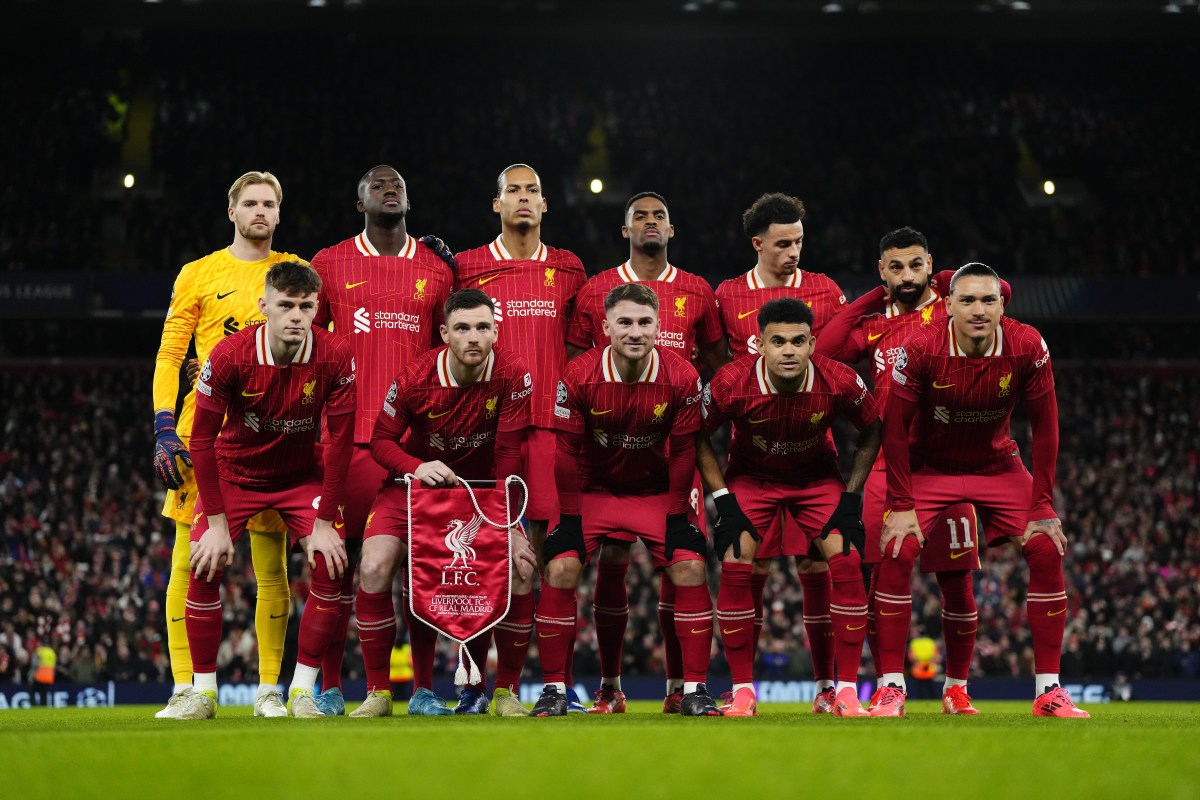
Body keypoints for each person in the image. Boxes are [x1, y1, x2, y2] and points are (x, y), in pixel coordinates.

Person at [880, 262, 1089, 718]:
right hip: (930, 467)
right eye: (968, 300)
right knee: (896, 549)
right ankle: (891, 688)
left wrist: (1043, 504)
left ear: (1002, 304)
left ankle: (1048, 691)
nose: (978, 309)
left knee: (1046, 548)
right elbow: (893, 430)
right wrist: (900, 504)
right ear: (948, 305)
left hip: (997, 465)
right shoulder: (920, 347)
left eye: (988, 300)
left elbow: (1046, 428)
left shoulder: (1027, 345)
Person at [816, 227, 1007, 714]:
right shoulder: (876, 326)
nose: (907, 275)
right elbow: (827, 347)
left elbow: (1001, 292)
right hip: (889, 463)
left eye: (916, 265)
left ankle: (957, 688)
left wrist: (946, 279)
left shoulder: (949, 305)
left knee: (956, 581)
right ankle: (890, 684)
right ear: (882, 272)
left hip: (949, 459)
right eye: (895, 267)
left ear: (929, 266)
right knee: (884, 573)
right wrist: (871, 298)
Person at [172, 261, 357, 720]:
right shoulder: (229, 355)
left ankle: (300, 692)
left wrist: (323, 521)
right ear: (264, 307)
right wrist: (215, 523)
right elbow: (200, 440)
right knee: (203, 561)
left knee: (333, 565)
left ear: (318, 308)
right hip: (234, 475)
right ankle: (203, 694)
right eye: (286, 306)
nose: (296, 315)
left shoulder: (335, 354)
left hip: (298, 478)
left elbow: (340, 443)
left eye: (305, 306)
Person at [565, 191, 726, 713]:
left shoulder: (698, 290)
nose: (651, 223)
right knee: (610, 557)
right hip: (608, 453)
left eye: (660, 215)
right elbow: (576, 365)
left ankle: (680, 689)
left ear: (672, 229)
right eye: (641, 216)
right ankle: (609, 687)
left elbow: (719, 365)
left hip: (673, 449)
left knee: (679, 564)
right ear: (625, 230)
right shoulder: (594, 291)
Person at [151, 171, 303, 718]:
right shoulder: (198, 274)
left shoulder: (293, 274)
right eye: (251, 203)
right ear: (232, 211)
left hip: (273, 432)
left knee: (272, 569)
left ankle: (268, 691)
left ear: (279, 214)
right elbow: (171, 356)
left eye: (269, 204)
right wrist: (164, 425)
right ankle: (188, 688)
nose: (260, 211)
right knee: (188, 563)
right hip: (204, 434)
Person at [530, 283, 721, 717]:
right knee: (560, 566)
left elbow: (685, 450)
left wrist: (676, 515)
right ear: (606, 328)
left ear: (659, 326)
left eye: (644, 322)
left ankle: (692, 690)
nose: (635, 331)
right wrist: (572, 521)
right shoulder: (578, 374)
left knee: (690, 565)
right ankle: (555, 691)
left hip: (655, 489)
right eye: (625, 322)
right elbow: (565, 454)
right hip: (593, 488)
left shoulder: (682, 376)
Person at [349, 289, 537, 718]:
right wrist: (415, 467)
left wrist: (506, 527)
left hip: (482, 490)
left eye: (483, 327)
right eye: (463, 328)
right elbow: (380, 441)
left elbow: (509, 459)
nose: (474, 337)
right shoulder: (415, 377)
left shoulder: (513, 374)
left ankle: (505, 691)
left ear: (495, 331)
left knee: (522, 569)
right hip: (414, 487)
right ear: (444, 334)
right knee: (375, 565)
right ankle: (380, 693)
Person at [308, 164, 455, 714]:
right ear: (359, 201)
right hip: (341, 442)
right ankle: (328, 688)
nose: (391, 189)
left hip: (413, 448)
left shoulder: (437, 270)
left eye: (399, 184)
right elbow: (312, 351)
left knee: (417, 571)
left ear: (409, 202)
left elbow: (453, 347)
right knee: (333, 567)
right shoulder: (328, 264)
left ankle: (419, 689)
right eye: (378, 184)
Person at [698, 298, 881, 716]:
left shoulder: (839, 379)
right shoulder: (730, 382)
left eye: (798, 341)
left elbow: (872, 429)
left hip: (816, 480)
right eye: (777, 341)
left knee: (848, 560)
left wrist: (851, 497)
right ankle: (743, 692)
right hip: (751, 480)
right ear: (759, 344)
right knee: (736, 560)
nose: (788, 351)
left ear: (812, 343)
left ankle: (847, 691)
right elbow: (695, 434)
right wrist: (723, 499)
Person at [454, 164, 587, 712]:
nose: (524, 199)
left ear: (545, 204)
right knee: (484, 565)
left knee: (554, 565)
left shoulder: (569, 268)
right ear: (497, 204)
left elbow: (581, 348)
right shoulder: (467, 266)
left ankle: (552, 685)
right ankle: (470, 688)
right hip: (485, 435)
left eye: (534, 190)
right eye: (514, 191)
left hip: (552, 435)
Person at [712, 192, 848, 708]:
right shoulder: (727, 296)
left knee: (817, 567)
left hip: (816, 454)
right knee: (755, 569)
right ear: (758, 243)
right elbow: (719, 367)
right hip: (753, 458)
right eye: (784, 243)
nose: (794, 252)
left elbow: (837, 368)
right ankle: (744, 689)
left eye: (799, 241)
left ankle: (826, 688)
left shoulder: (825, 291)